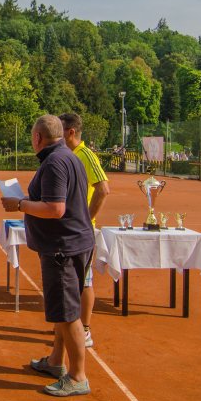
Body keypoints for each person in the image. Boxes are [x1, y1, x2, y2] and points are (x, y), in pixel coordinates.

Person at [1, 114, 94, 397]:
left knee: (67, 314)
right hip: (73, 243)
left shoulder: (54, 163)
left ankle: (78, 376)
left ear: (38, 138)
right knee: (62, 309)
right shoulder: (68, 156)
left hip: (62, 248)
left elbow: (55, 209)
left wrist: (19, 204)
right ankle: (56, 361)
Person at [60, 113, 110, 348]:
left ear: (71, 132)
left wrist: (87, 219)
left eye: (60, 131)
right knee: (71, 281)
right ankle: (69, 327)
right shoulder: (68, 155)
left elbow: (103, 189)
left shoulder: (86, 155)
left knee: (85, 282)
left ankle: (86, 329)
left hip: (82, 232)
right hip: (69, 230)